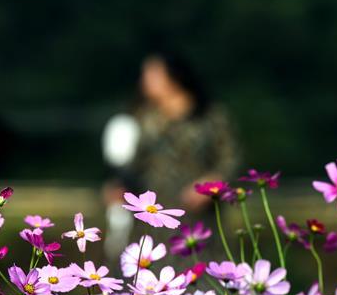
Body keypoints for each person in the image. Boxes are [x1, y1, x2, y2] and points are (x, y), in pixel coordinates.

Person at [102, 51, 240, 257]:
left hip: (196, 214)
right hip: (152, 214)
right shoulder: (144, 118)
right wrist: (118, 187)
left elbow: (230, 159)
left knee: (200, 271)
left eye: (152, 75)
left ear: (174, 77)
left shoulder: (209, 116)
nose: (144, 81)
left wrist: (212, 183)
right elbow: (134, 166)